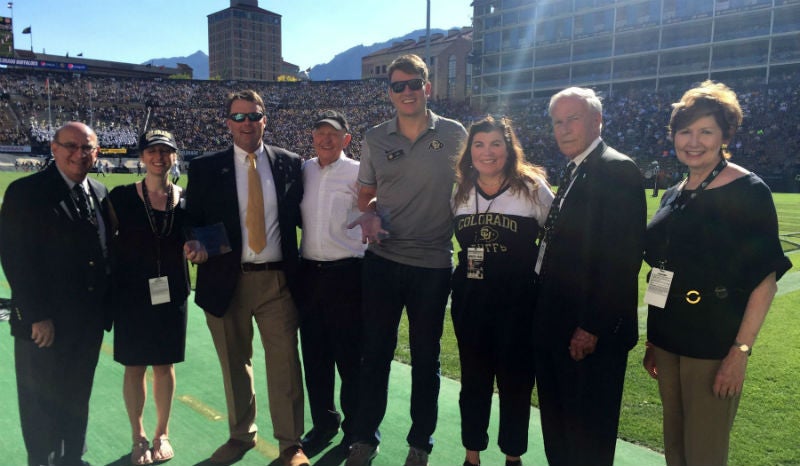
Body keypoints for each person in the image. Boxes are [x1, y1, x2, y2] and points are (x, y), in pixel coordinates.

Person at [641, 81, 792, 466]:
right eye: (685, 131)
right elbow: (663, 267)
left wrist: (739, 353)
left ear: (725, 135)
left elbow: (765, 280)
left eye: (705, 131)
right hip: (670, 339)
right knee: (675, 447)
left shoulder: (747, 190)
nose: (693, 141)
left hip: (714, 344)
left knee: (704, 453)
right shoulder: (676, 191)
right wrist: (653, 339)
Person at [345, 54, 468, 466]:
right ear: (390, 92)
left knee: (425, 358)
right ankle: (364, 436)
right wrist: (371, 213)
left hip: (433, 264)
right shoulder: (375, 137)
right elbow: (365, 194)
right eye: (398, 86)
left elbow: (477, 184)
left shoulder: (455, 135)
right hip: (382, 260)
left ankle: (420, 442)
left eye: (414, 83)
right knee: (375, 352)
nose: (407, 91)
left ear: (427, 87)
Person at [185, 89, 308, 466]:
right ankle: (241, 434)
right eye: (238, 117)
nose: (246, 124)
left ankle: (290, 444)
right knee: (234, 363)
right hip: (225, 279)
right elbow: (192, 219)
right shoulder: (206, 167)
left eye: (253, 116)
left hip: (276, 281)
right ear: (227, 123)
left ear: (264, 120)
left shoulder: (290, 163)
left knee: (285, 362)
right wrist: (192, 242)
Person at [532, 87, 646, 466]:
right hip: (558, 324)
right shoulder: (576, 167)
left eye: (573, 119)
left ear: (597, 120)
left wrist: (592, 325)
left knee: (587, 437)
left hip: (588, 332)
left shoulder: (616, 169)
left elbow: (622, 258)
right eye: (557, 122)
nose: (563, 129)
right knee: (560, 429)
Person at [0, 121, 112, 466]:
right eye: (71, 146)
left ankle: (71, 457)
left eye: (87, 148)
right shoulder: (26, 192)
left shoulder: (99, 191)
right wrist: (36, 316)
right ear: (54, 148)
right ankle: (43, 460)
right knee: (41, 400)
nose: (79, 154)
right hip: (45, 324)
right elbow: (15, 258)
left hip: (88, 322)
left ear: (96, 152)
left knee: (77, 395)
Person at [450, 115, 554, 466]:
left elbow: (556, 237)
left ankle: (513, 456)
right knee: (474, 381)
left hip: (518, 303)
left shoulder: (532, 186)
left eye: (496, 143)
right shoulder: (461, 189)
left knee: (516, 382)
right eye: (479, 144)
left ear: (509, 149)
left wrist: (537, 276)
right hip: (471, 301)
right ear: (470, 151)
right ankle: (472, 455)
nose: (487, 152)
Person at [109, 129, 207, 465]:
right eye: (152, 151)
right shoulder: (121, 197)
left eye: (166, 151)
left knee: (163, 366)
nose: (159, 157)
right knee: (135, 366)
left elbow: (201, 239)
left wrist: (200, 249)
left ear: (174, 157)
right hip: (132, 295)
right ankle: (138, 437)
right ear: (142, 156)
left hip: (172, 293)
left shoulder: (186, 201)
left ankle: (161, 434)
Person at [297, 110, 366, 455]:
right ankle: (324, 423)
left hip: (347, 275)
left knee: (350, 358)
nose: (326, 139)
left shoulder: (359, 172)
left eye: (333, 134)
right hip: (309, 275)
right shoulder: (304, 169)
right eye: (320, 132)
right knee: (315, 357)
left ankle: (356, 429)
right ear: (312, 137)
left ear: (346, 140)